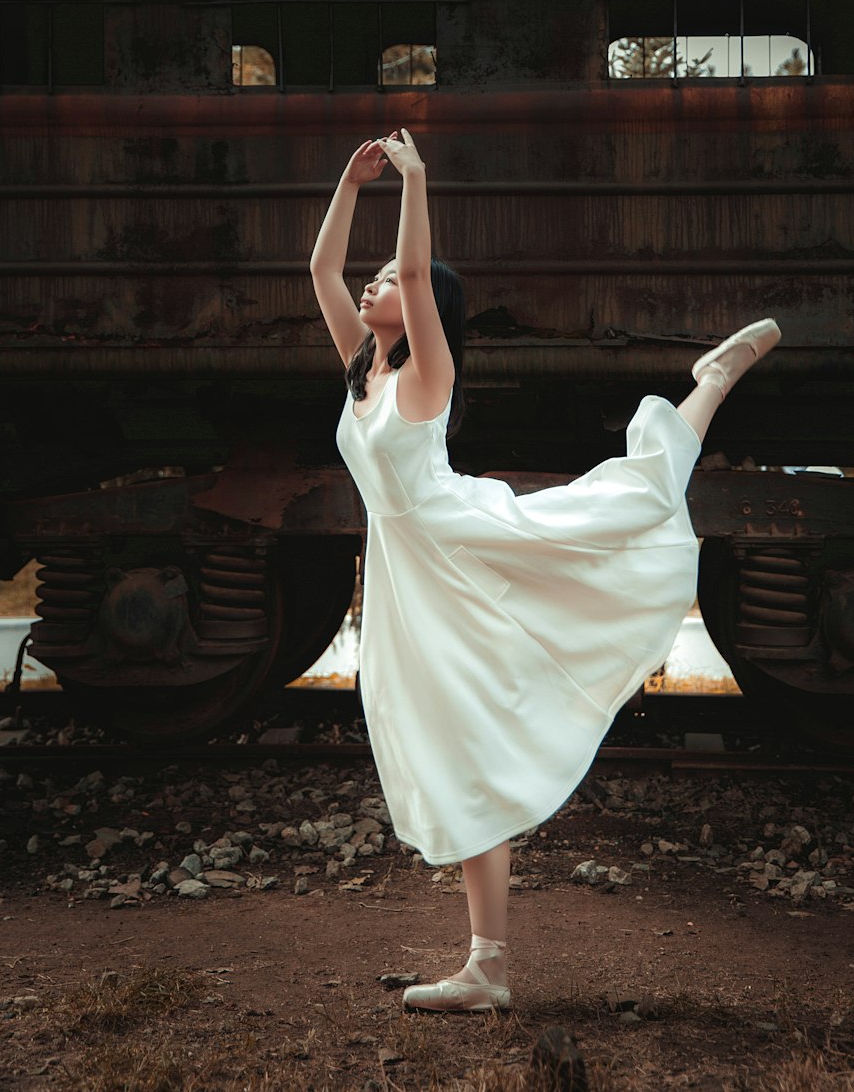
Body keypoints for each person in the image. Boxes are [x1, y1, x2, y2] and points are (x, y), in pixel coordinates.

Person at [309, 128, 780, 1014]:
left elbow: (415, 279)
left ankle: (709, 383)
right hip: (411, 581)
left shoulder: (427, 375)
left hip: (461, 544)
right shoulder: (361, 373)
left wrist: (415, 182)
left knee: (625, 507)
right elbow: (319, 273)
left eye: (387, 280)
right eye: (370, 280)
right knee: (456, 748)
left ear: (421, 315)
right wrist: (350, 179)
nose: (371, 283)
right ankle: (486, 968)